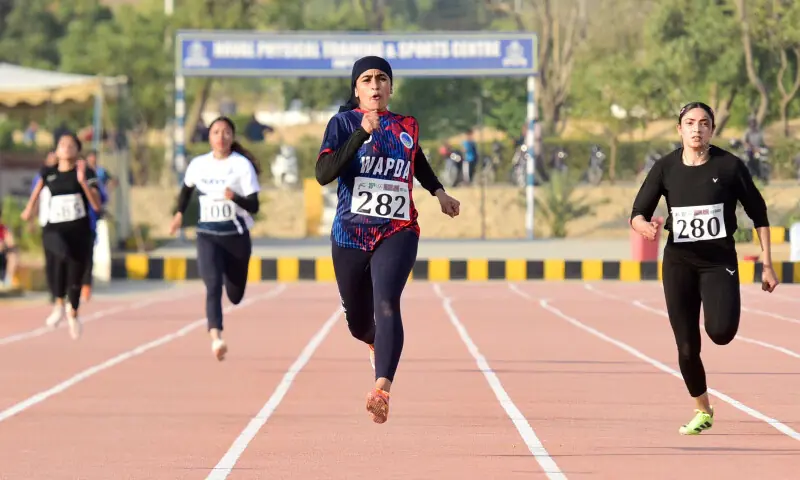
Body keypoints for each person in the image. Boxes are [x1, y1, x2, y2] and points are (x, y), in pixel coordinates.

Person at [315, 55, 461, 424]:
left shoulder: (406, 125)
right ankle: (373, 341)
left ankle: (382, 388)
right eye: (367, 79)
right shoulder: (342, 123)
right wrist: (361, 133)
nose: (375, 84)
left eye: (382, 78)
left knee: (388, 301)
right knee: (359, 323)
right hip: (350, 234)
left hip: (398, 229)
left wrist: (439, 192)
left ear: (391, 87)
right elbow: (324, 173)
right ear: (356, 89)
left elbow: (418, 161)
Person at [629, 101, 779, 436]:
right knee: (686, 345)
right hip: (679, 262)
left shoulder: (730, 166)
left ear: (712, 129)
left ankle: (706, 394)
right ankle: (702, 408)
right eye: (690, 123)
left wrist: (766, 263)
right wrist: (642, 226)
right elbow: (638, 211)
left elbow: (759, 213)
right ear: (679, 129)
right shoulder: (666, 168)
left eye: (704, 123)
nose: (697, 129)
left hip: (718, 263)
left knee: (721, 333)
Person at [168, 116, 261, 361]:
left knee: (235, 295)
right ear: (209, 137)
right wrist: (178, 215)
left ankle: (231, 298)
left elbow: (254, 205)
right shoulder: (198, 164)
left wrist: (235, 198)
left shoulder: (241, 165)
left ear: (232, 136)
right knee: (212, 286)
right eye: (216, 132)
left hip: (236, 237)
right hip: (207, 235)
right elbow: (186, 192)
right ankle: (216, 337)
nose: (221, 137)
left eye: (226, 132)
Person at [20, 133, 102, 339]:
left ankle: (73, 313)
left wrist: (83, 181)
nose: (66, 148)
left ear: (77, 150)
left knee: (76, 270)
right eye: (62, 145)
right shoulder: (48, 172)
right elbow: (37, 191)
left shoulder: (86, 171)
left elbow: (96, 204)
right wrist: (29, 210)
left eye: (71, 145)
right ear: (56, 150)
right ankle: (58, 303)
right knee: (60, 255)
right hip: (54, 228)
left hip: (79, 229)